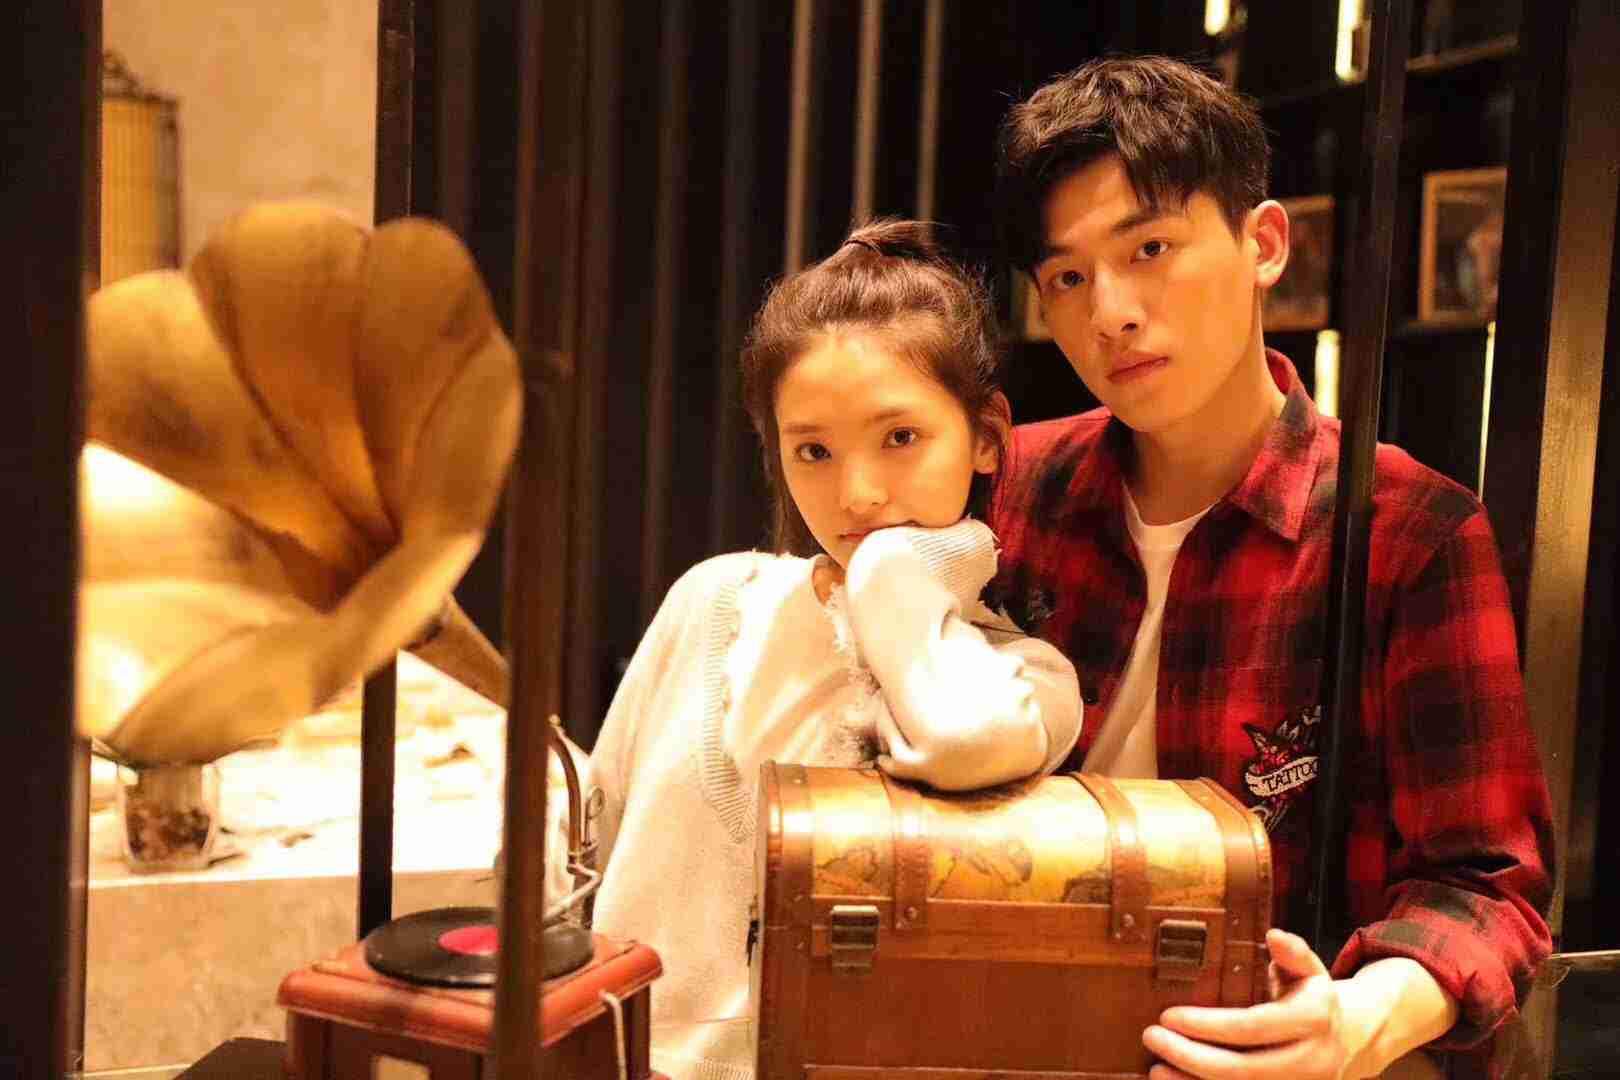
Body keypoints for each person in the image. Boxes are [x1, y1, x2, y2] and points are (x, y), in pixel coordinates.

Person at [988, 57, 1552, 1080]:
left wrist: (1355, 1020)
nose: (1110, 311)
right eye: (1068, 277)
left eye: (1150, 248)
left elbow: (1484, 885)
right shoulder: (1011, 488)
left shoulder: (1407, 532)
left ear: (1265, 244)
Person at [584, 218, 1083, 1080]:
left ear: (987, 436)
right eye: (812, 450)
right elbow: (588, 839)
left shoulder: (1019, 677)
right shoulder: (715, 601)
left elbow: (962, 739)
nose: (856, 494)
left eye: (900, 438)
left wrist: (894, 569)